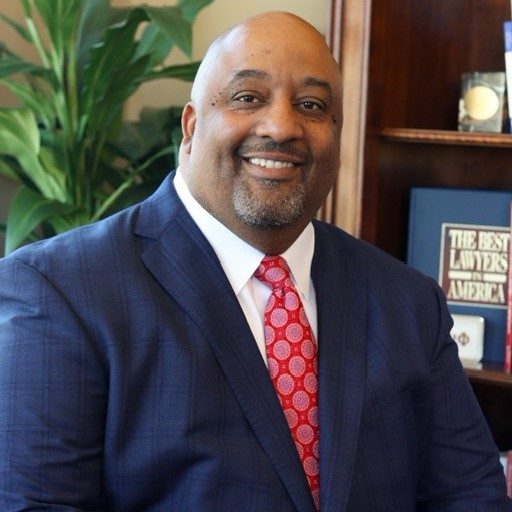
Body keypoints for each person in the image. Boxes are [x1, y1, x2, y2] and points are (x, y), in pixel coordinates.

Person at [0, 10, 510, 512]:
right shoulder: (60, 290)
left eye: (312, 105)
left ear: (337, 137)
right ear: (191, 126)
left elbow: (471, 497)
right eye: (248, 97)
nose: (283, 126)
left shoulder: (408, 301)